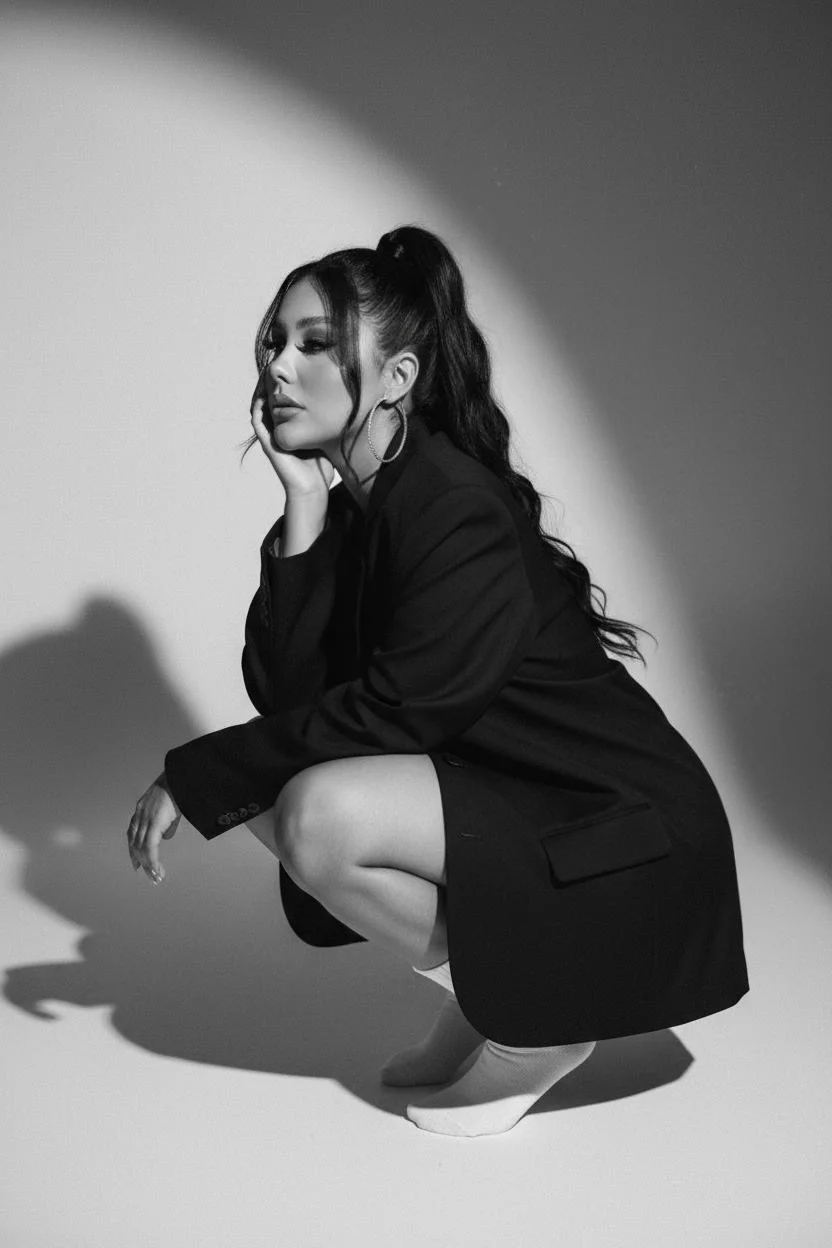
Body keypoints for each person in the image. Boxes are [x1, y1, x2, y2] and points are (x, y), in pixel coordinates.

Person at [126, 225, 749, 1138]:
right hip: (515, 795)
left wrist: (195, 772)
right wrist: (303, 509)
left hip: (617, 824)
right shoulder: (356, 508)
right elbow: (291, 699)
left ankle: (535, 1024)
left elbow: (399, 710)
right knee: (260, 790)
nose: (278, 369)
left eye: (314, 345)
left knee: (312, 811)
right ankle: (490, 993)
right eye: (274, 342)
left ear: (398, 378)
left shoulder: (450, 504)